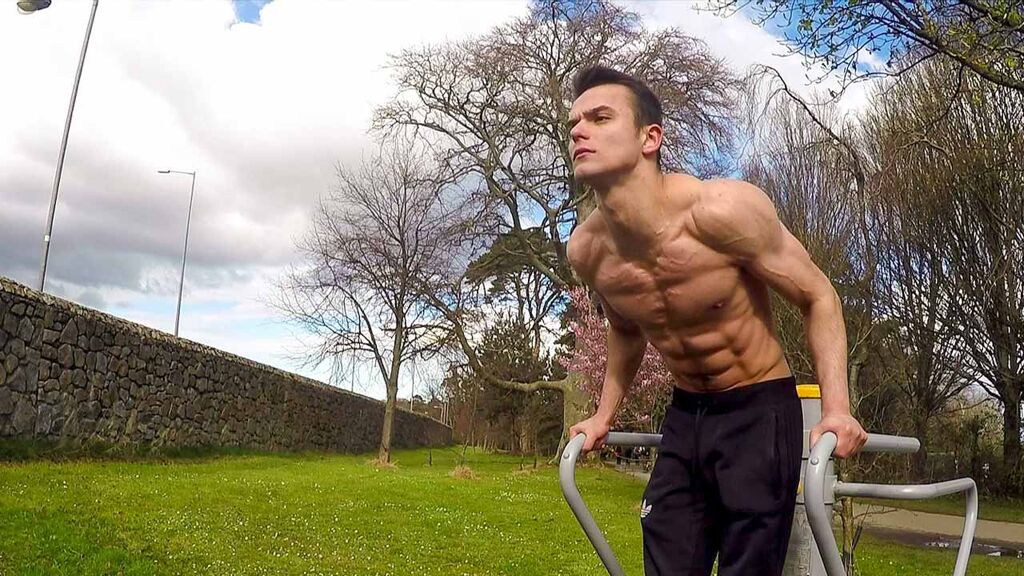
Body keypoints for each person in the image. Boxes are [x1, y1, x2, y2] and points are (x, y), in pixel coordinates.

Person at [565, 65, 868, 576]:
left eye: (599, 117)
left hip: (759, 409)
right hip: (686, 414)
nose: (578, 130)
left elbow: (818, 295)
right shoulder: (589, 251)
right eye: (573, 122)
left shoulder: (722, 212)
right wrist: (603, 416)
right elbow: (624, 329)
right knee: (666, 551)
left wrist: (836, 409)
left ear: (649, 138)